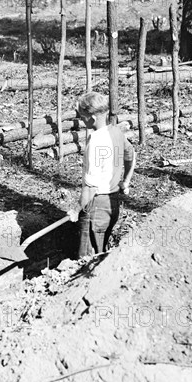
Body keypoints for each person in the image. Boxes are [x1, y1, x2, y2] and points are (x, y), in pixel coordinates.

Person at [68, 92, 136, 258]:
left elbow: (90, 188)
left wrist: (76, 210)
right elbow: (131, 155)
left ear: (91, 118)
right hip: (112, 204)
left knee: (87, 258)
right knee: (101, 251)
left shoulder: (96, 143)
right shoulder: (116, 132)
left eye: (82, 117)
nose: (81, 121)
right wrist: (125, 182)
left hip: (96, 206)